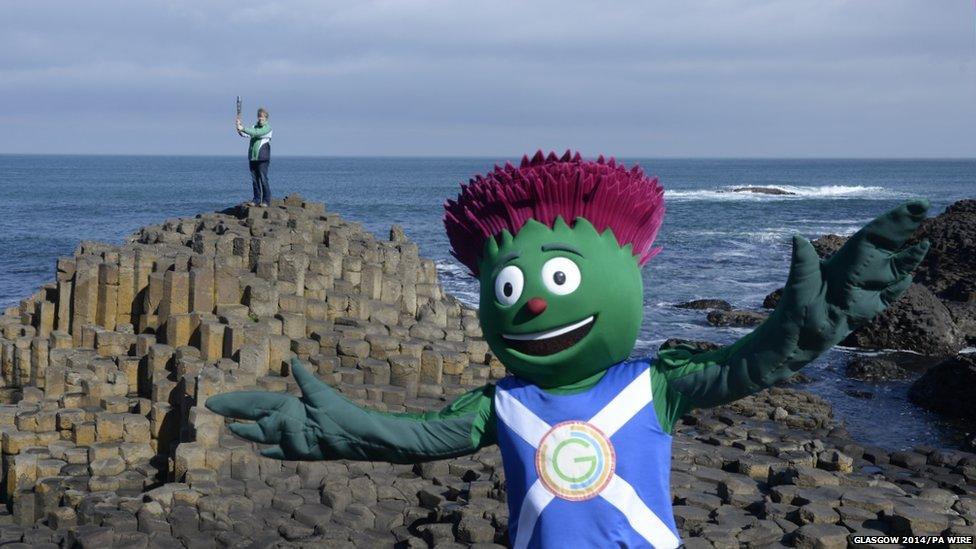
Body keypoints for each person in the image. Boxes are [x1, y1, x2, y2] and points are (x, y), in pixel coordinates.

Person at [207, 151, 930, 548]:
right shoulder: (504, 402)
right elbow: (416, 439)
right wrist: (336, 429)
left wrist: (804, 328)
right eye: (513, 284)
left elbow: (746, 365)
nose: (534, 302)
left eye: (556, 277)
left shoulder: (656, 383)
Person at [236, 107, 273, 207]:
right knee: (254, 180)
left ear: (266, 118)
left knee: (263, 179)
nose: (260, 118)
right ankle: (256, 199)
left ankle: (266, 200)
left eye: (262, 117)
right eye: (259, 117)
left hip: (263, 158)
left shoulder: (268, 128)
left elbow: (257, 133)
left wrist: (243, 128)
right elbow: (245, 134)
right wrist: (239, 128)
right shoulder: (254, 127)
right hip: (253, 157)